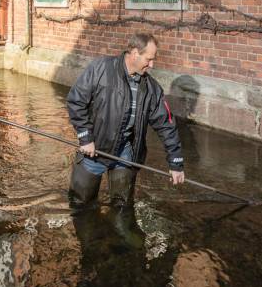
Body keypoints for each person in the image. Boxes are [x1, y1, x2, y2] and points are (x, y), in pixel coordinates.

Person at [66, 33, 185, 208]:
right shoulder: (101, 69)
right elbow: (76, 101)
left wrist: (176, 163)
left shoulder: (152, 88)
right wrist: (85, 137)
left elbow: (167, 126)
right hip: (94, 150)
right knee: (80, 205)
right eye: (149, 59)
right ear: (135, 53)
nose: (152, 65)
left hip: (125, 154)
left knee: (122, 207)